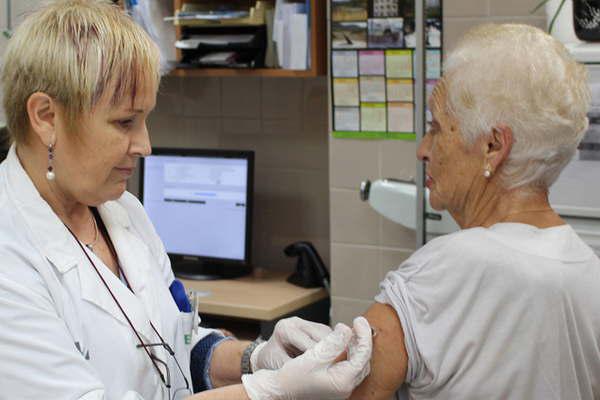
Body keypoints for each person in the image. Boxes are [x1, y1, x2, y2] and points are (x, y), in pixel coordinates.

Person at [0, 1, 372, 399]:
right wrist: (271, 391)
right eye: (125, 122)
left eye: (145, 119)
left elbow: (178, 344)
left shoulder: (121, 211)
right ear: (46, 117)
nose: (145, 146)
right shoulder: (11, 254)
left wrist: (257, 358)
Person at [348, 24, 600, 399]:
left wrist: (240, 355)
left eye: (436, 128)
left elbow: (336, 389)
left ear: (493, 146)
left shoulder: (451, 267)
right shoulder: (588, 270)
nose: (423, 149)